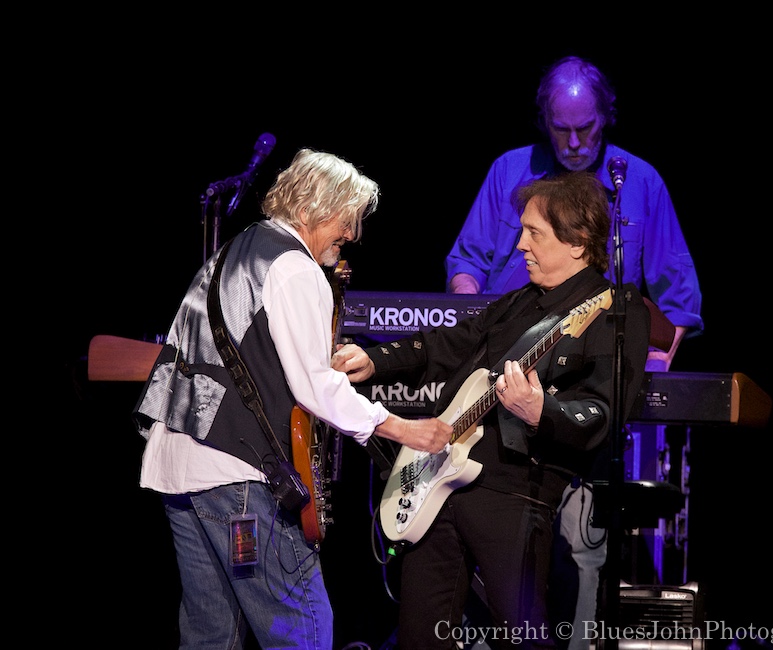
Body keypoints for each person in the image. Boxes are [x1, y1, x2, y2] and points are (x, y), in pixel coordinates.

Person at [133, 148, 453, 650]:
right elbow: (315, 386)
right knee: (300, 628)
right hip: (235, 478)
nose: (353, 235)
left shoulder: (234, 251)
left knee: (210, 635)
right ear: (311, 208)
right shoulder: (296, 268)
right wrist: (402, 427)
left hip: (175, 468)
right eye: (347, 219)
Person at [444, 56, 705, 649]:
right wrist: (467, 307)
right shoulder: (510, 171)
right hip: (503, 384)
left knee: (584, 543)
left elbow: (678, 305)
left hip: (586, 391)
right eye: (562, 128)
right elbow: (466, 264)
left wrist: (645, 371)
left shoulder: (639, 181)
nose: (576, 141)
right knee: (480, 522)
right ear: (545, 122)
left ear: (605, 117)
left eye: (586, 126)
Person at [331, 171, 651, 650]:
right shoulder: (518, 303)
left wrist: (543, 410)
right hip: (441, 490)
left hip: (515, 495)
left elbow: (604, 411)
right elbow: (444, 344)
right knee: (419, 637)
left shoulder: (612, 309)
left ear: (579, 243)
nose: (520, 244)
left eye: (534, 233)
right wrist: (375, 358)